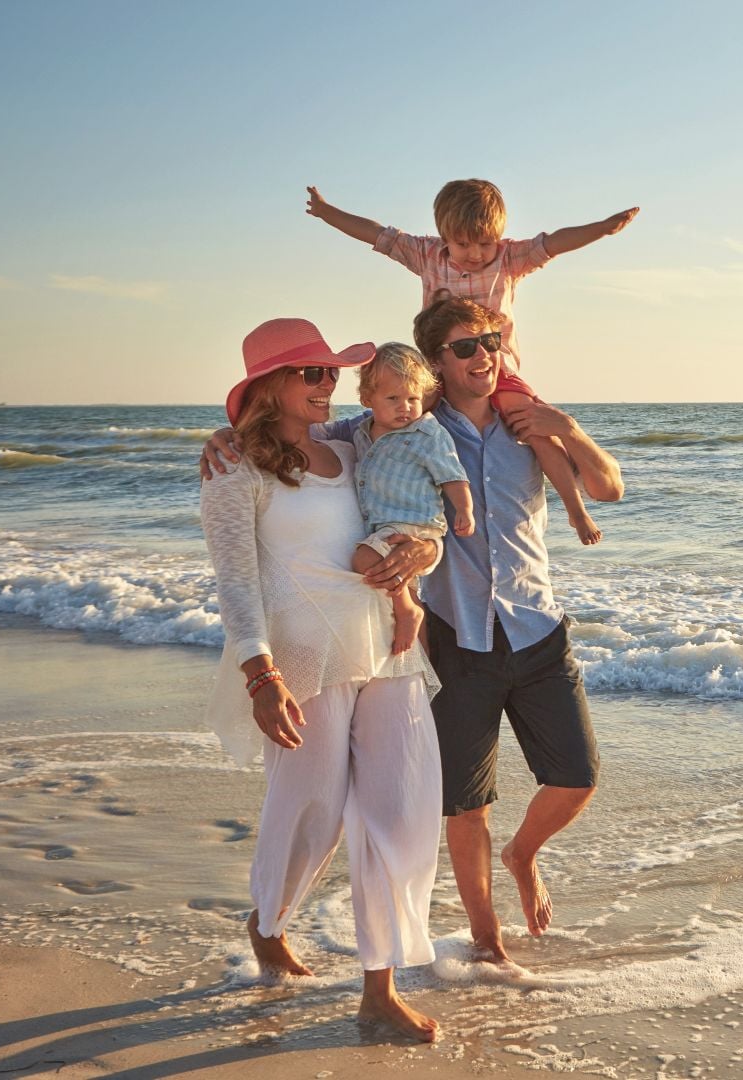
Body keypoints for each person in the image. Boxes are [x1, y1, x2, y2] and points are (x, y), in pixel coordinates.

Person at [201, 298, 625, 968]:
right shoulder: (377, 429)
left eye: (491, 340)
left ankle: (469, 905)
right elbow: (290, 461)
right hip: (405, 645)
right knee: (404, 805)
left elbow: (605, 489)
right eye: (464, 347)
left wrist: (566, 428)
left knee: (515, 791)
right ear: (434, 366)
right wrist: (227, 435)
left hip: (473, 639)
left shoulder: (504, 427)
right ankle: (465, 939)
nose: (482, 355)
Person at [199, 318, 447, 1041]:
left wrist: (416, 566)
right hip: (304, 656)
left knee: (399, 812)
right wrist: (258, 673)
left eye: (328, 374)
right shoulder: (233, 471)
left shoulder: (349, 445)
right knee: (312, 810)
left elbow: (411, 511)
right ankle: (269, 919)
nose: (325, 384)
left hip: (388, 645)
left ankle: (379, 988)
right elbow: (236, 583)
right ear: (269, 386)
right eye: (309, 373)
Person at [304, 179, 637, 547]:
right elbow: (376, 234)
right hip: (433, 372)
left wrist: (603, 229)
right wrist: (326, 212)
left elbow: (555, 242)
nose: (476, 254)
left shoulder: (510, 259)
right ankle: (391, 523)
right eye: (463, 243)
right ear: (444, 236)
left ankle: (575, 511)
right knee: (398, 423)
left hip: (503, 373)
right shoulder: (427, 255)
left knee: (536, 429)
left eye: (485, 243)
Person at [348, 342, 475, 655]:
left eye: (413, 399)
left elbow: (452, 474)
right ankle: (421, 671)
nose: (405, 407)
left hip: (413, 526)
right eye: (393, 399)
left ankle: (408, 612)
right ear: (367, 398)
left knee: (364, 560)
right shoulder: (360, 432)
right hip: (384, 527)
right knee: (406, 588)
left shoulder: (428, 433)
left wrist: (465, 509)